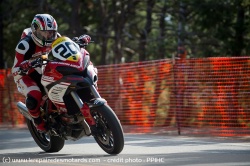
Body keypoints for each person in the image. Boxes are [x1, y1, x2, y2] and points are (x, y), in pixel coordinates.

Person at [12, 14, 91, 132]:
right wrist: (25, 65)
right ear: (35, 31)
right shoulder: (24, 45)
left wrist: (79, 41)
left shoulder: (56, 37)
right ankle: (38, 122)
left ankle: (65, 110)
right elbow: (15, 68)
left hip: (45, 69)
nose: (49, 35)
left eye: (51, 32)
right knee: (35, 95)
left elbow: (67, 48)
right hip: (26, 75)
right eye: (44, 32)